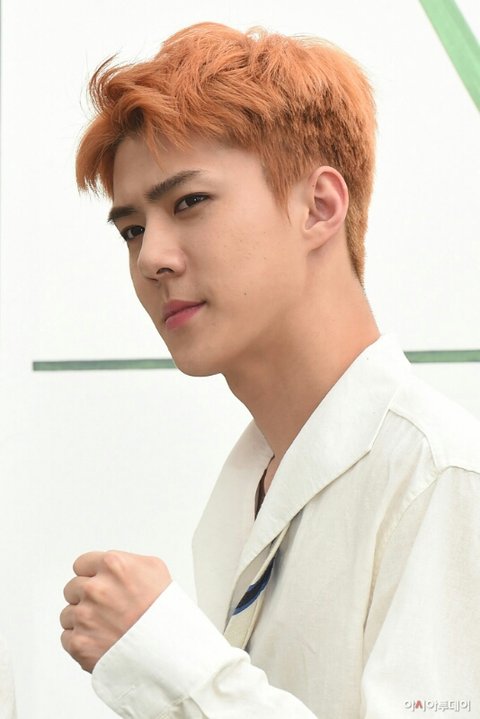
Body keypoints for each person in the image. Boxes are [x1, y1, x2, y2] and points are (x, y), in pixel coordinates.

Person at [60, 22, 480, 718]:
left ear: (319, 206)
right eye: (132, 229)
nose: (151, 257)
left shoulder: (441, 478)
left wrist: (170, 659)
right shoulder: (250, 483)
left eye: (188, 203)